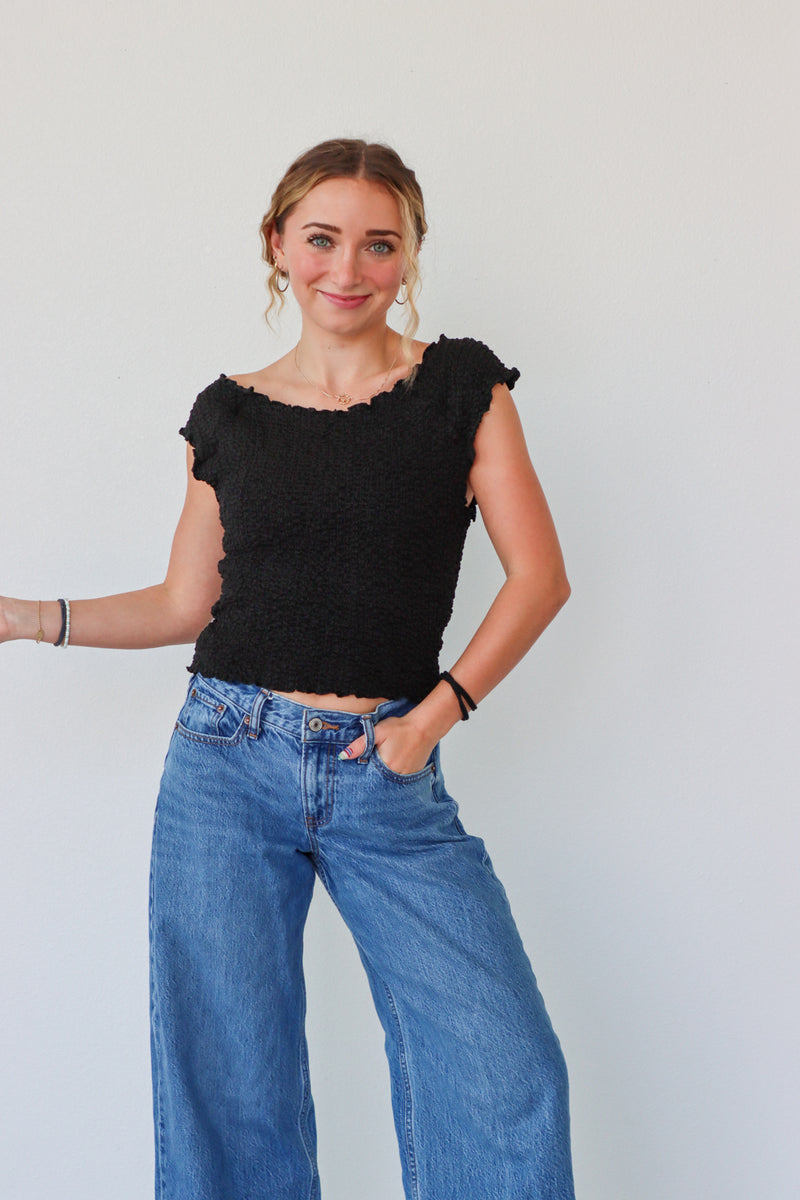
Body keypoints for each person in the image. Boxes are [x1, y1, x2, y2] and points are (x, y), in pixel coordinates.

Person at [0, 138, 576, 1199]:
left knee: (503, 1072)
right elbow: (189, 603)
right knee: (228, 1086)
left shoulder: (460, 387)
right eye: (320, 239)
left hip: (388, 770)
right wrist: (28, 616)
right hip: (223, 762)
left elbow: (538, 579)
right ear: (277, 245)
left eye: (377, 244)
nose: (345, 268)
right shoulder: (226, 413)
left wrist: (433, 716)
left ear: (406, 257)